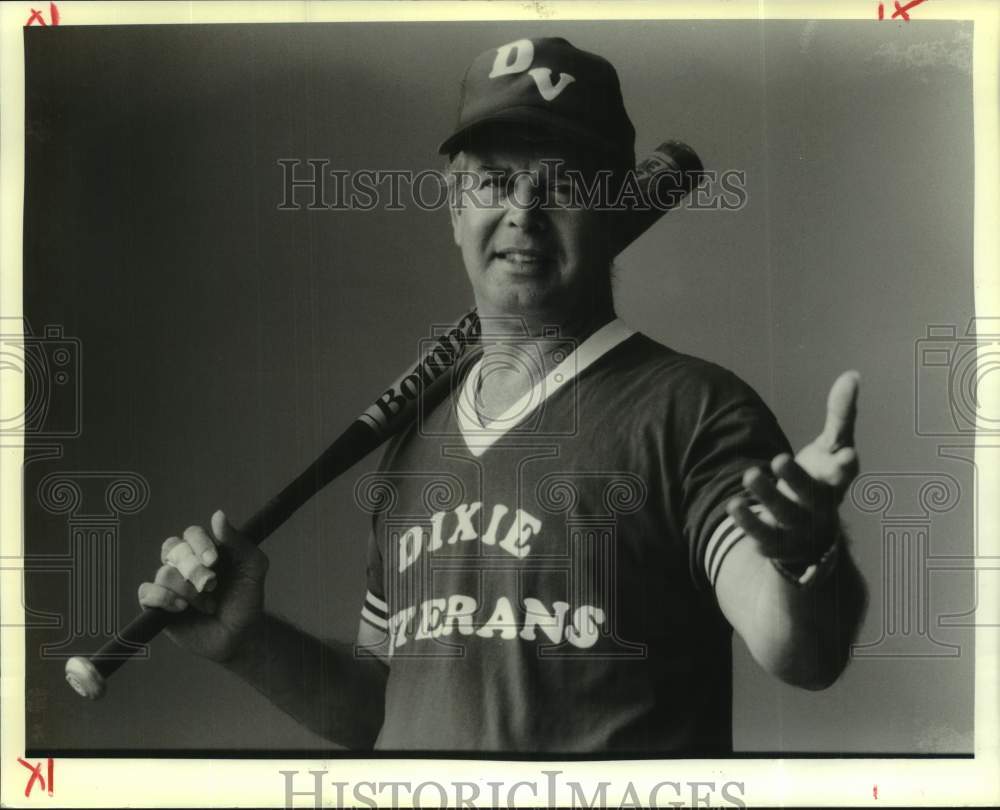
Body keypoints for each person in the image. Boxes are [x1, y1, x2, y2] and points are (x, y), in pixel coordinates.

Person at [138, 36, 867, 754]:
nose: (523, 209)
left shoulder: (695, 412)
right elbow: (382, 708)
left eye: (562, 183)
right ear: (456, 209)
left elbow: (798, 652)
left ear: (616, 211)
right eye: (492, 182)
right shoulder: (413, 448)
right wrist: (248, 644)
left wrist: (806, 559)